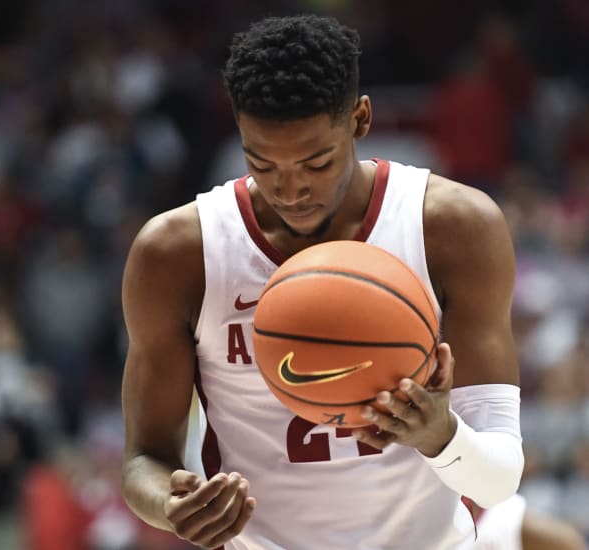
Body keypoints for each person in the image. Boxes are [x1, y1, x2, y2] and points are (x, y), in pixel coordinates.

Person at [120, 14, 525, 550]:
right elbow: (143, 459)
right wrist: (171, 506)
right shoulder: (177, 253)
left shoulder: (453, 229)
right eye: (262, 163)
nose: (291, 190)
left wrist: (439, 436)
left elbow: (499, 478)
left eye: (315, 164)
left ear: (359, 119)